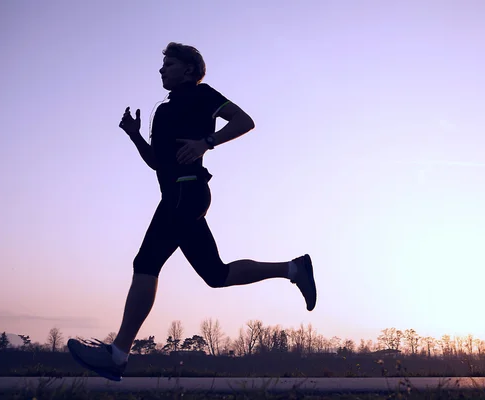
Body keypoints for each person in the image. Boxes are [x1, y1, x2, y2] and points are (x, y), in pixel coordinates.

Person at [67, 42, 317, 382]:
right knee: (216, 275)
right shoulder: (164, 111)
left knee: (146, 262)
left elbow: (245, 121)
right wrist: (135, 136)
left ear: (188, 69)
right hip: (175, 195)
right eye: (162, 65)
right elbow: (157, 162)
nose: (161, 69)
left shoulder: (202, 94)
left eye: (168, 64)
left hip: (188, 191)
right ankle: (294, 268)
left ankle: (117, 355)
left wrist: (207, 143)